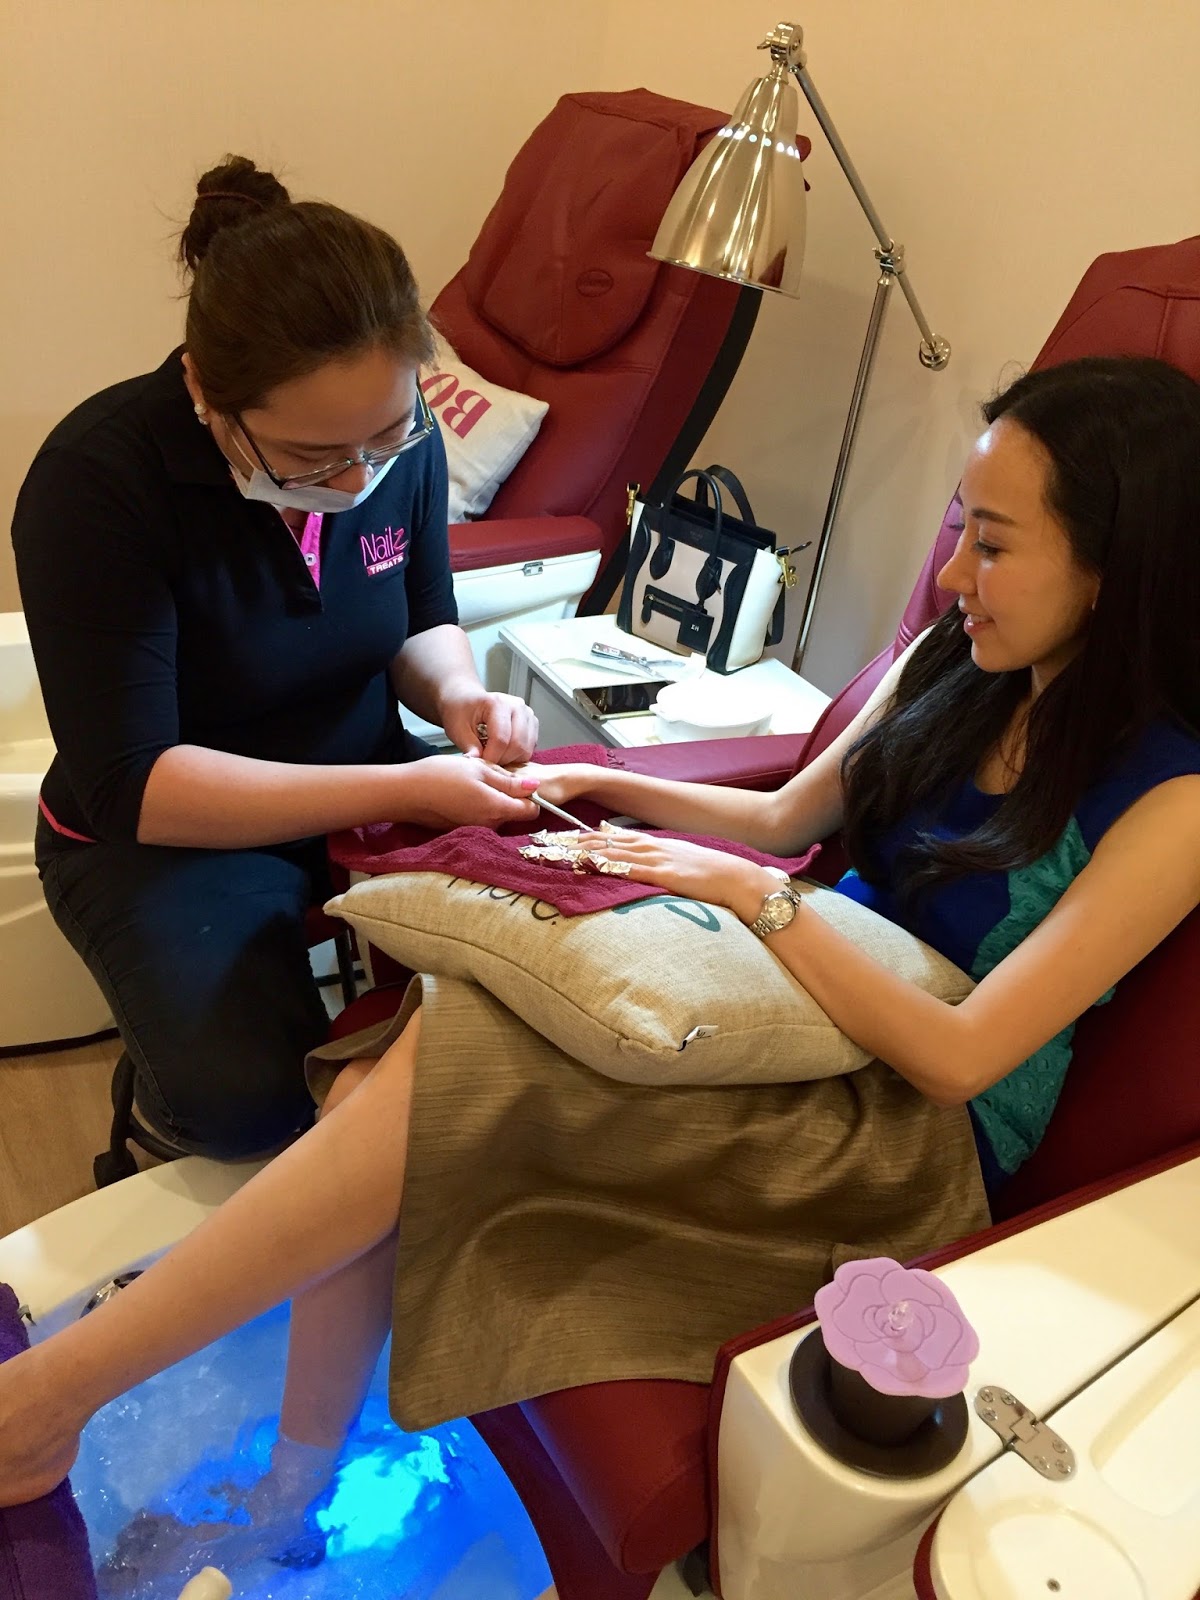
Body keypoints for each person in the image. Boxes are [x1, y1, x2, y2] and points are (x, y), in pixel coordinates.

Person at [2, 357, 1198, 1587]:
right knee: (392, 1074)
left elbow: (962, 1057)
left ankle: (53, 1408)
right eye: (960, 534)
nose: (948, 577)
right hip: (791, 998)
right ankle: (282, 1493)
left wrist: (749, 897)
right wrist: (594, 778)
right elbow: (786, 814)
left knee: (426, 1084)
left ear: (1115, 570)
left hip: (907, 1127)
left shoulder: (1173, 799)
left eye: (991, 546)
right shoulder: (957, 655)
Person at [11, 156, 541, 1160]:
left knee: (525, 1010)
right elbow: (136, 785)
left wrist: (461, 696)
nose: (354, 480)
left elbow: (421, 616)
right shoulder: (99, 482)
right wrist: (412, 788)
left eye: (384, 439)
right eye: (309, 458)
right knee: (252, 1101)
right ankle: (152, 1119)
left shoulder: (400, 440)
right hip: (167, 837)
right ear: (204, 390)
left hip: (368, 776)